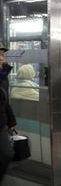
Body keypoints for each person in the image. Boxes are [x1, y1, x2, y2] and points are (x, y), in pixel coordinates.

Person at [0, 44, 16, 182]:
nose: (1, 59)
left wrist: (11, 121)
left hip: (0, 123)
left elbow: (4, 100)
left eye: (2, 55)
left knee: (6, 154)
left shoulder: (3, 75)